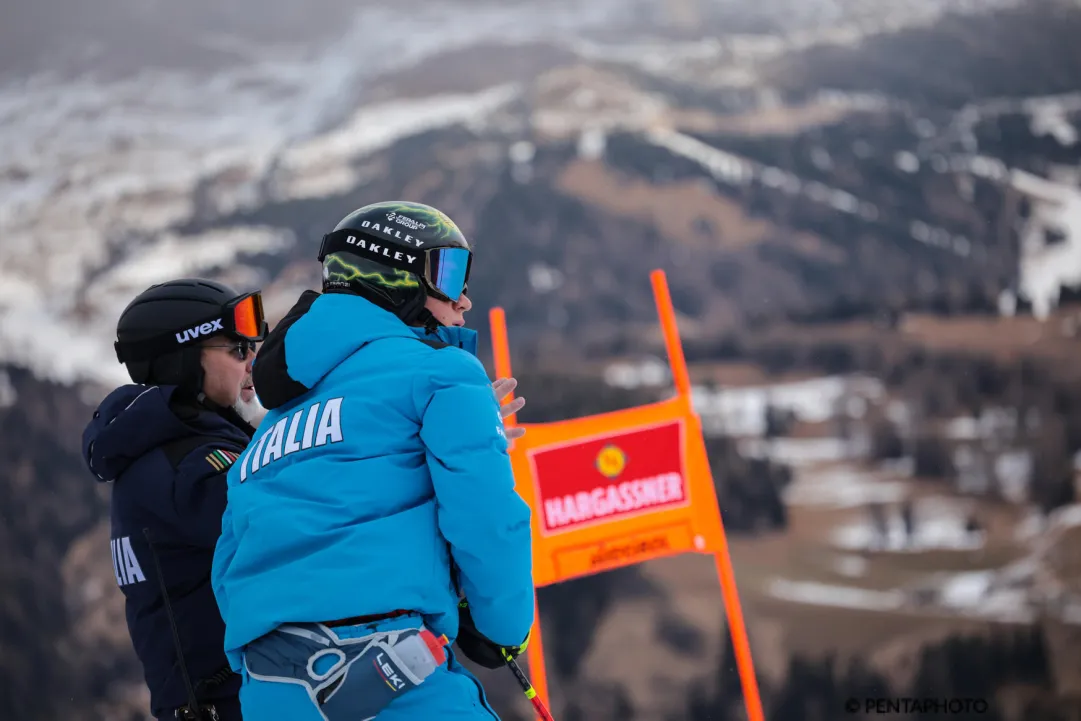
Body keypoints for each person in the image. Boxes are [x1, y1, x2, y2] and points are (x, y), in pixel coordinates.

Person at [211, 201, 535, 721]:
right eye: (449, 274)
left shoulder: (271, 429)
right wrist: (502, 631)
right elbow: (488, 517)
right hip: (390, 674)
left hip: (271, 689)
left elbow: (229, 560)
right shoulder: (444, 372)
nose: (465, 298)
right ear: (397, 279)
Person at [82, 278, 271, 721]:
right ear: (185, 361)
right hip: (230, 704)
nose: (252, 361)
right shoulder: (189, 466)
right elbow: (292, 531)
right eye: (237, 350)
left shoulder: (164, 452)